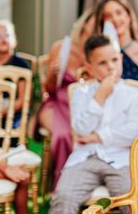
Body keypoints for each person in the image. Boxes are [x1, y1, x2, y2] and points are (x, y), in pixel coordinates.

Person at [46, 34, 138, 214]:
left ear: (121, 59)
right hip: (85, 158)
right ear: (89, 68)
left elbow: (133, 131)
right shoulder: (81, 93)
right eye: (102, 63)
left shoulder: (133, 94)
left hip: (121, 159)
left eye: (115, 60)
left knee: (132, 201)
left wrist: (97, 136)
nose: (111, 67)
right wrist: (100, 95)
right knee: (63, 196)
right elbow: (81, 128)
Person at [36, 10, 95, 188]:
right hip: (56, 103)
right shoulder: (61, 47)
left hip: (81, 107)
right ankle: (61, 185)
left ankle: (82, 182)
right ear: (85, 24)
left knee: (82, 133)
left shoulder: (97, 53)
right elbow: (48, 90)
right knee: (63, 135)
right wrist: (53, 76)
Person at [94, 0, 138, 85]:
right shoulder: (96, 56)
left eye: (119, 13)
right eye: (108, 16)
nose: (115, 19)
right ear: (102, 23)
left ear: (129, 16)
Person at [0, 20, 30, 128]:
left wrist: (1, 112)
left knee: (12, 126)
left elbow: (22, 99)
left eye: (8, 35)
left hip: (12, 110)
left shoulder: (21, 65)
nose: (4, 39)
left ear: (15, 41)